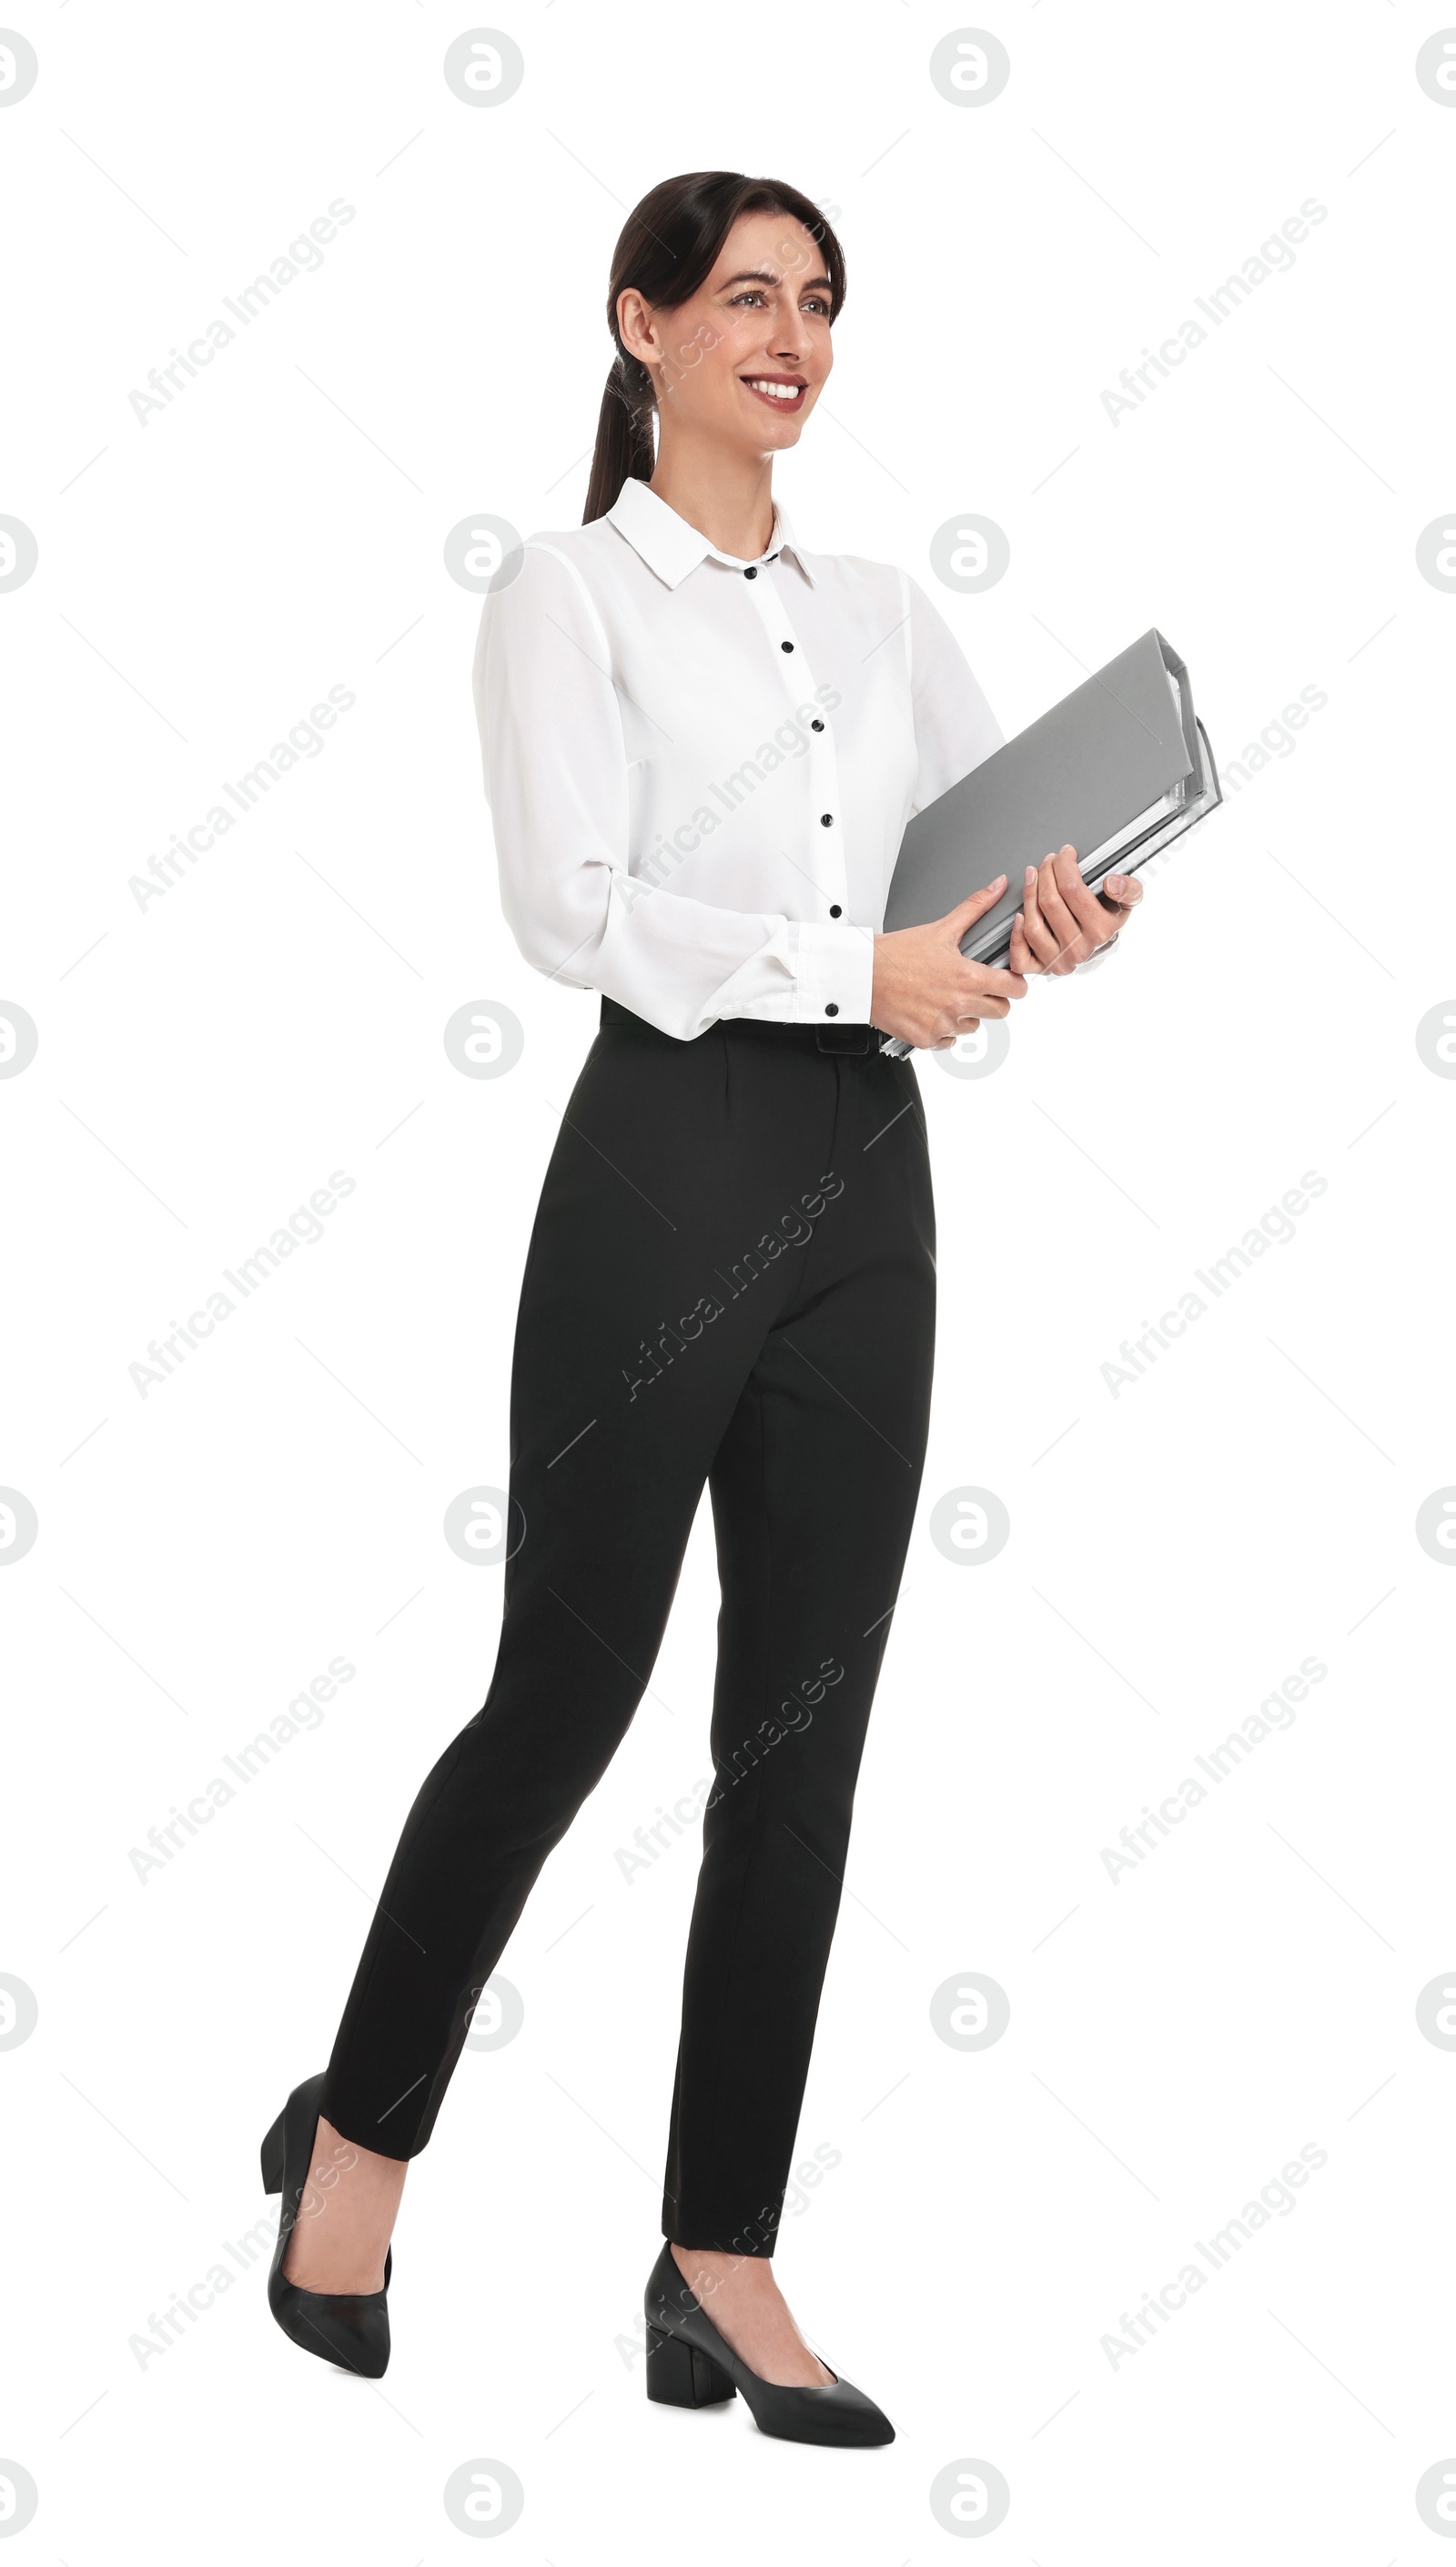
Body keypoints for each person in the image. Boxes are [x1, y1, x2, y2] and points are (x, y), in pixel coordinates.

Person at [260, 168, 1141, 2447]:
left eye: (821, 303)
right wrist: (864, 968)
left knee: (804, 1738)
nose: (791, 335)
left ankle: (716, 2253)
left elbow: (947, 872)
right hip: (664, 1167)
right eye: (745, 296)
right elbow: (570, 909)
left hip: (869, 1182)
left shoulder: (874, 605)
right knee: (565, 1689)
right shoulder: (560, 590)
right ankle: (352, 2150)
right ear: (638, 325)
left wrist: (1036, 921)